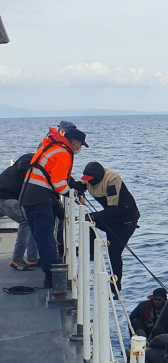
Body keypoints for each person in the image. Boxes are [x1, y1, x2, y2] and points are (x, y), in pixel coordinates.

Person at [20, 121, 88, 287]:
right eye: (79, 145)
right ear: (74, 142)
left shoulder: (53, 147)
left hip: (33, 198)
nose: (78, 149)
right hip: (39, 200)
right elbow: (59, 184)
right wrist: (75, 195)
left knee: (43, 237)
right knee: (45, 238)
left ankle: (50, 269)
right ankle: (51, 276)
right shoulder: (62, 153)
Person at [70, 162, 139, 293]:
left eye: (91, 180)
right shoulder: (90, 180)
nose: (89, 183)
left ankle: (116, 287)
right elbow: (77, 185)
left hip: (126, 222)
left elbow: (113, 209)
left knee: (114, 254)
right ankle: (91, 252)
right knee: (90, 222)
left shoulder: (112, 180)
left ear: (98, 177)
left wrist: (92, 215)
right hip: (113, 219)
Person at [0, 153, 39, 270]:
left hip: (7, 195)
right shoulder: (32, 163)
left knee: (32, 220)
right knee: (26, 221)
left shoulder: (28, 160)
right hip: (5, 196)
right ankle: (17, 259)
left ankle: (32, 258)